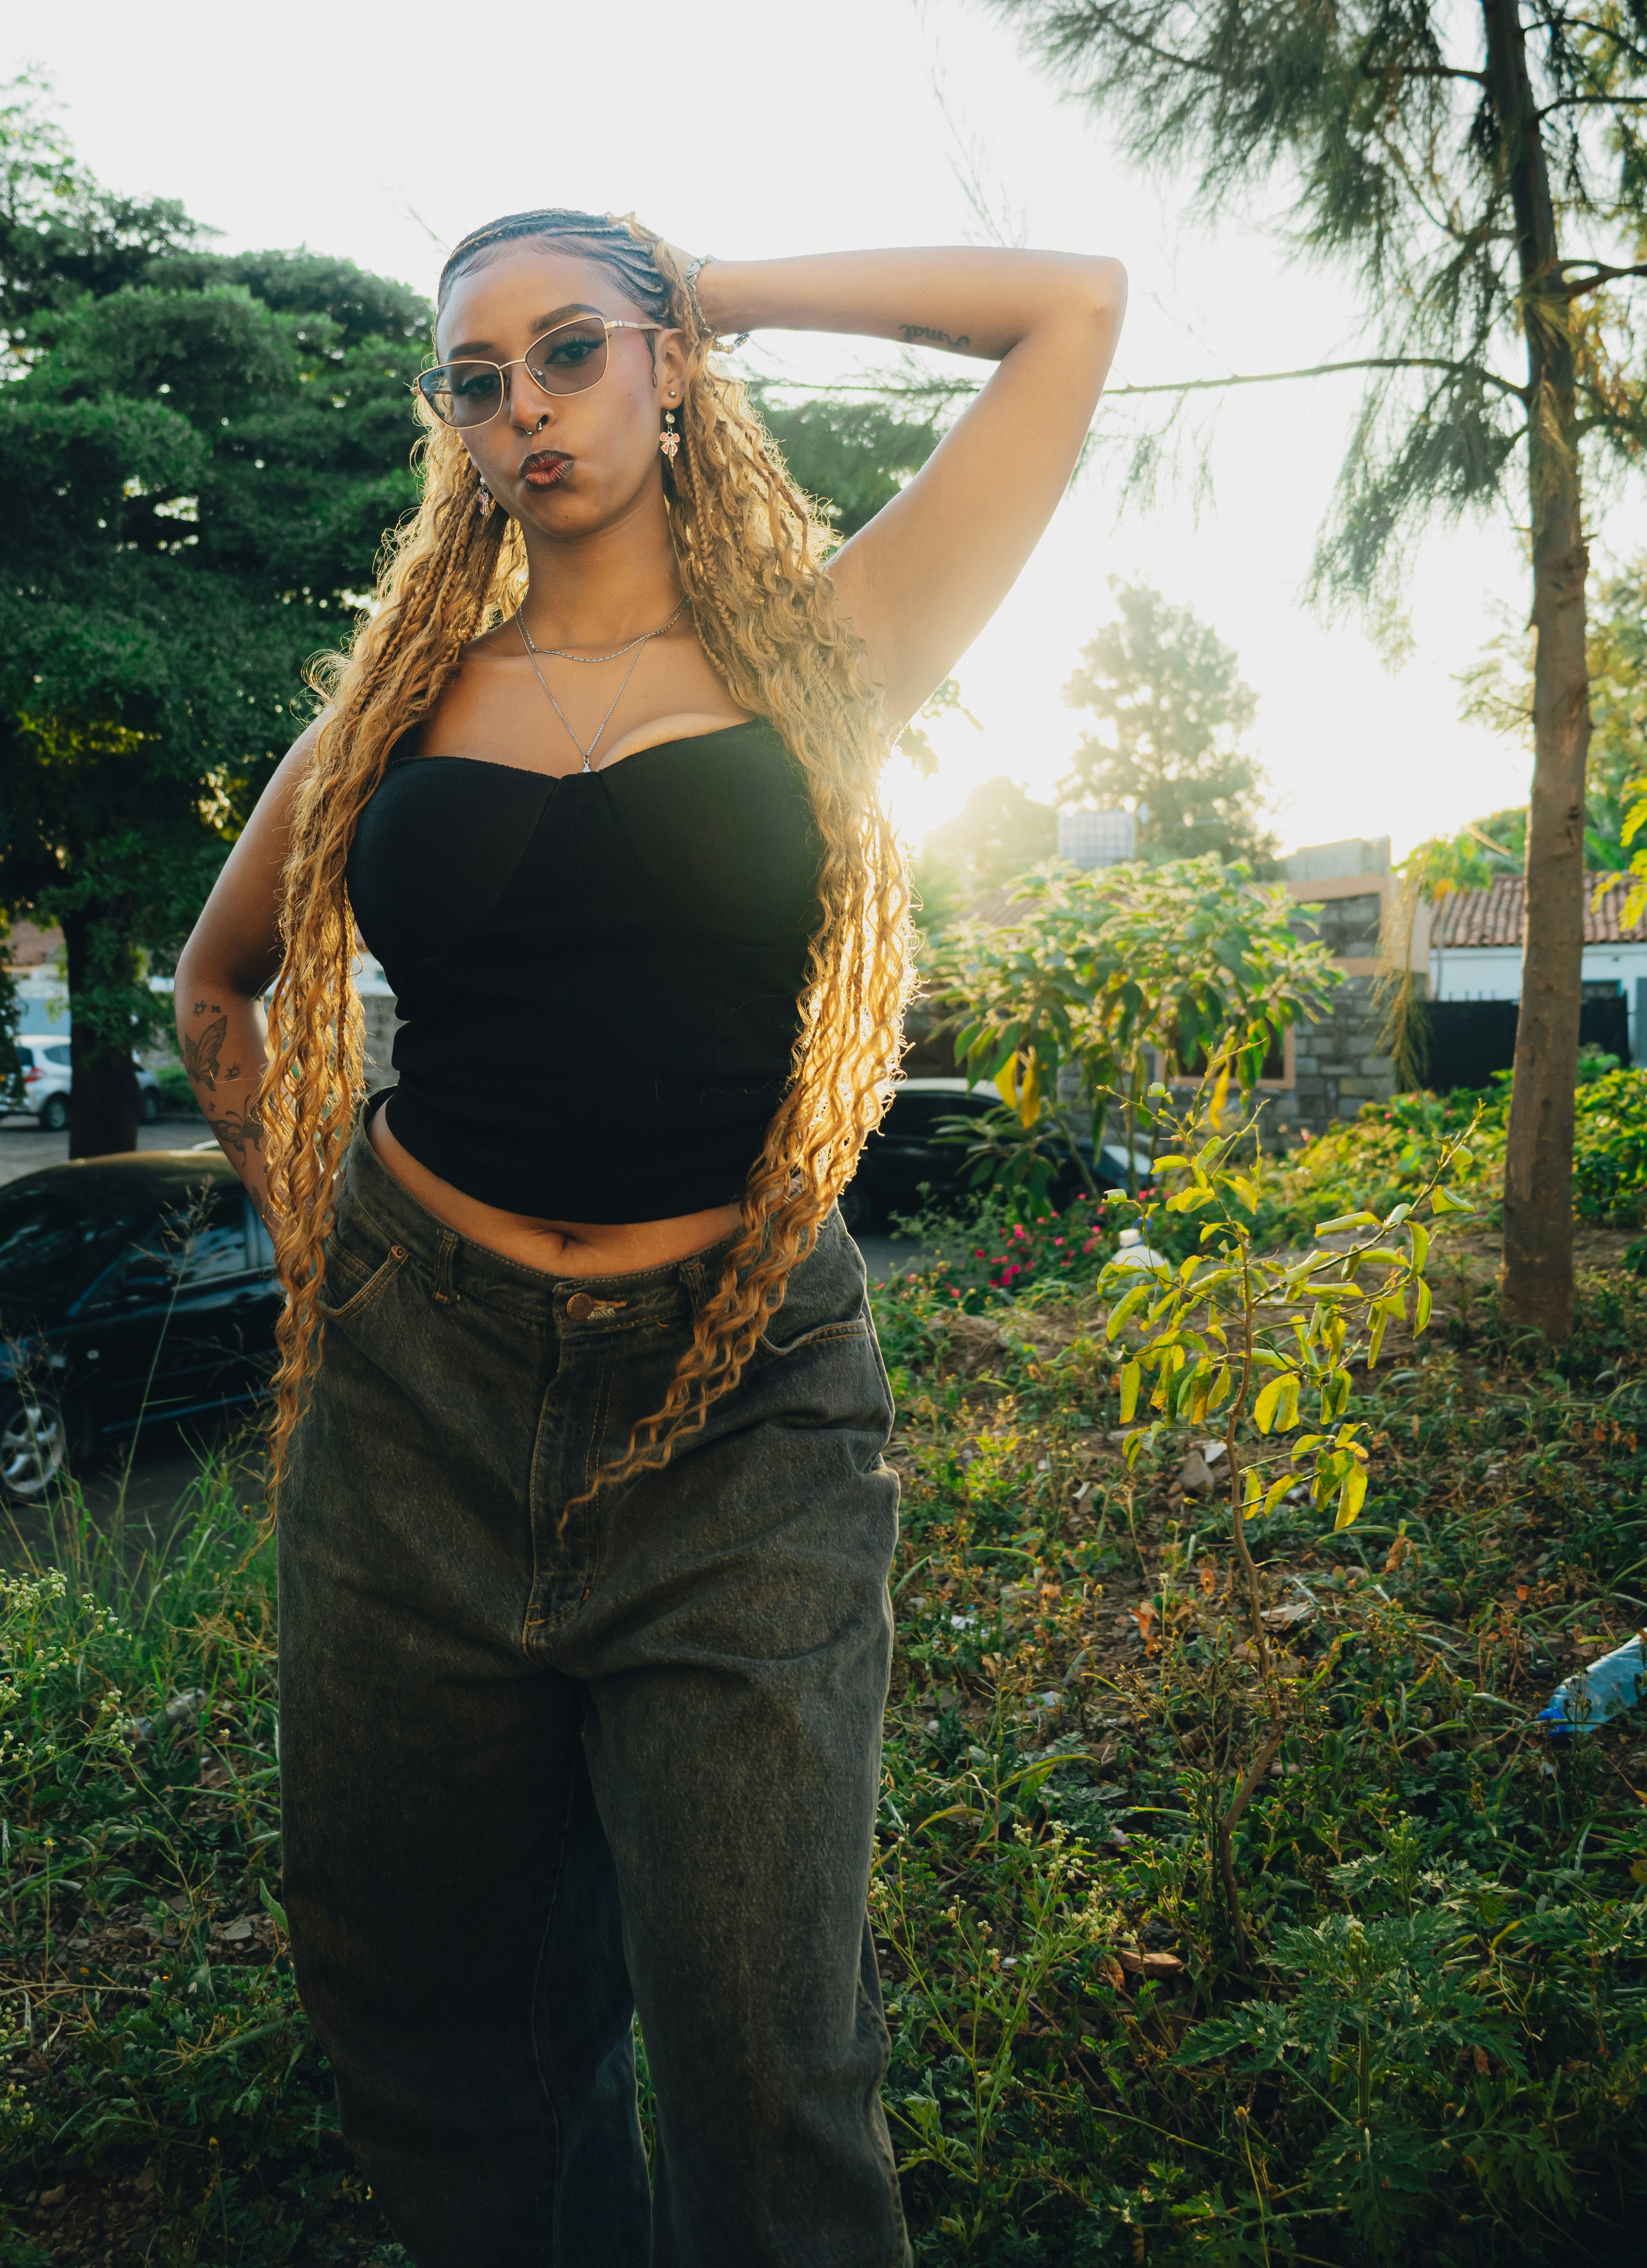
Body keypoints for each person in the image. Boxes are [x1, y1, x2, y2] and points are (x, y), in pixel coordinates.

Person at [173, 208, 1123, 2268]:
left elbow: (1067, 311)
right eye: (475, 379)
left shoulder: (826, 648)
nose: (523, 407)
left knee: (762, 2062)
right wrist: (315, 1239)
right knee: (435, 2019)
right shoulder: (395, 710)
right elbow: (218, 992)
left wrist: (737, 288)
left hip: (737, 1410)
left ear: (664, 364)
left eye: (572, 350)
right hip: (415, 1395)